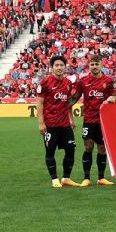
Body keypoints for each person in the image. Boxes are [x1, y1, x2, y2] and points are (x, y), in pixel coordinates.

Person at [72, 54, 116, 186]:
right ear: (89, 65)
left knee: (102, 148)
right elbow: (75, 98)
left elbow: (115, 95)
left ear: (101, 65)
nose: (95, 67)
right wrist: (64, 106)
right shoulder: (83, 81)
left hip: (103, 120)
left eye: (97, 64)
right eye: (92, 64)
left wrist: (114, 98)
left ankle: (101, 178)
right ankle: (86, 177)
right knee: (88, 146)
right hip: (89, 119)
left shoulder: (108, 80)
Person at [37, 55, 79, 188]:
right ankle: (54, 179)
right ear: (52, 67)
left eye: (61, 65)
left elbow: (68, 104)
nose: (59, 67)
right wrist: (41, 123)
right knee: (50, 151)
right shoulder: (44, 82)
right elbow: (39, 103)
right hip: (50, 124)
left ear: (65, 67)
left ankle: (66, 178)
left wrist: (71, 120)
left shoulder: (68, 83)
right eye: (57, 65)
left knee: (71, 149)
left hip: (65, 123)